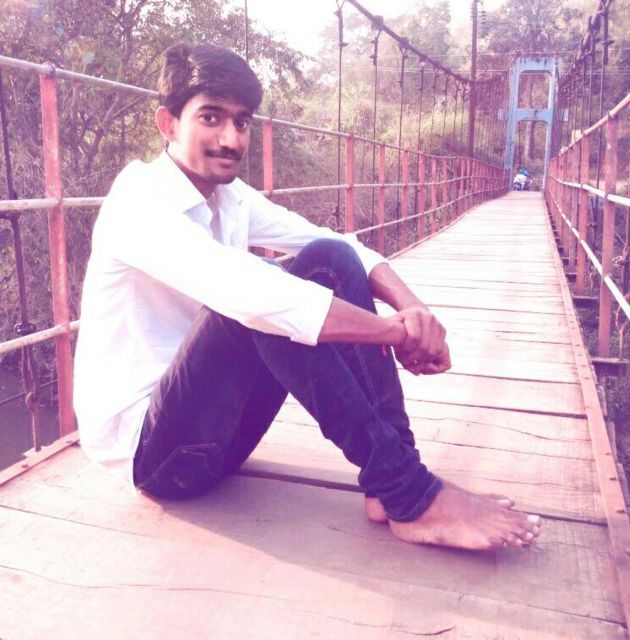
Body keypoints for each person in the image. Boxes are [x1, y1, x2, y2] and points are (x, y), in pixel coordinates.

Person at [74, 42, 541, 551]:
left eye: (242, 122)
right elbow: (255, 298)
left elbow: (339, 247)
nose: (231, 138)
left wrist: (413, 309)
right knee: (260, 297)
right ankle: (410, 493)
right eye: (211, 118)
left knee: (326, 258)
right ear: (168, 124)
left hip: (221, 439)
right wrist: (394, 334)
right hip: (158, 460)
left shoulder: (230, 198)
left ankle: (395, 483)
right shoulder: (137, 203)